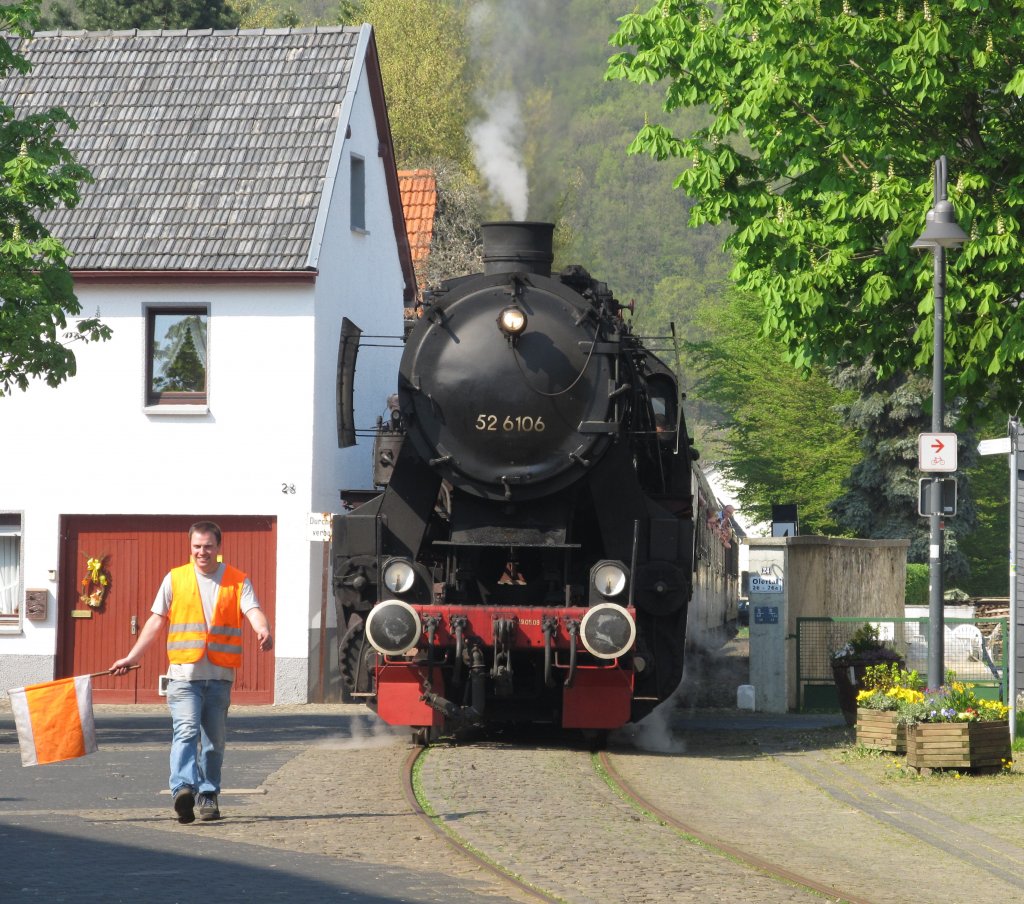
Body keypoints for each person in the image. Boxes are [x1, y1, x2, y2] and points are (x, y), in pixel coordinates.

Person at [109, 521, 273, 824]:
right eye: (197, 546)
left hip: (219, 677)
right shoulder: (175, 579)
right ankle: (182, 789)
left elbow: (252, 610)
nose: (202, 552)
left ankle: (208, 793)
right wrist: (132, 657)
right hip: (183, 677)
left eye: (208, 546)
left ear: (218, 548)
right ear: (190, 547)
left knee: (214, 741)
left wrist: (262, 629)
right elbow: (156, 621)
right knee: (186, 730)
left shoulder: (237, 581)